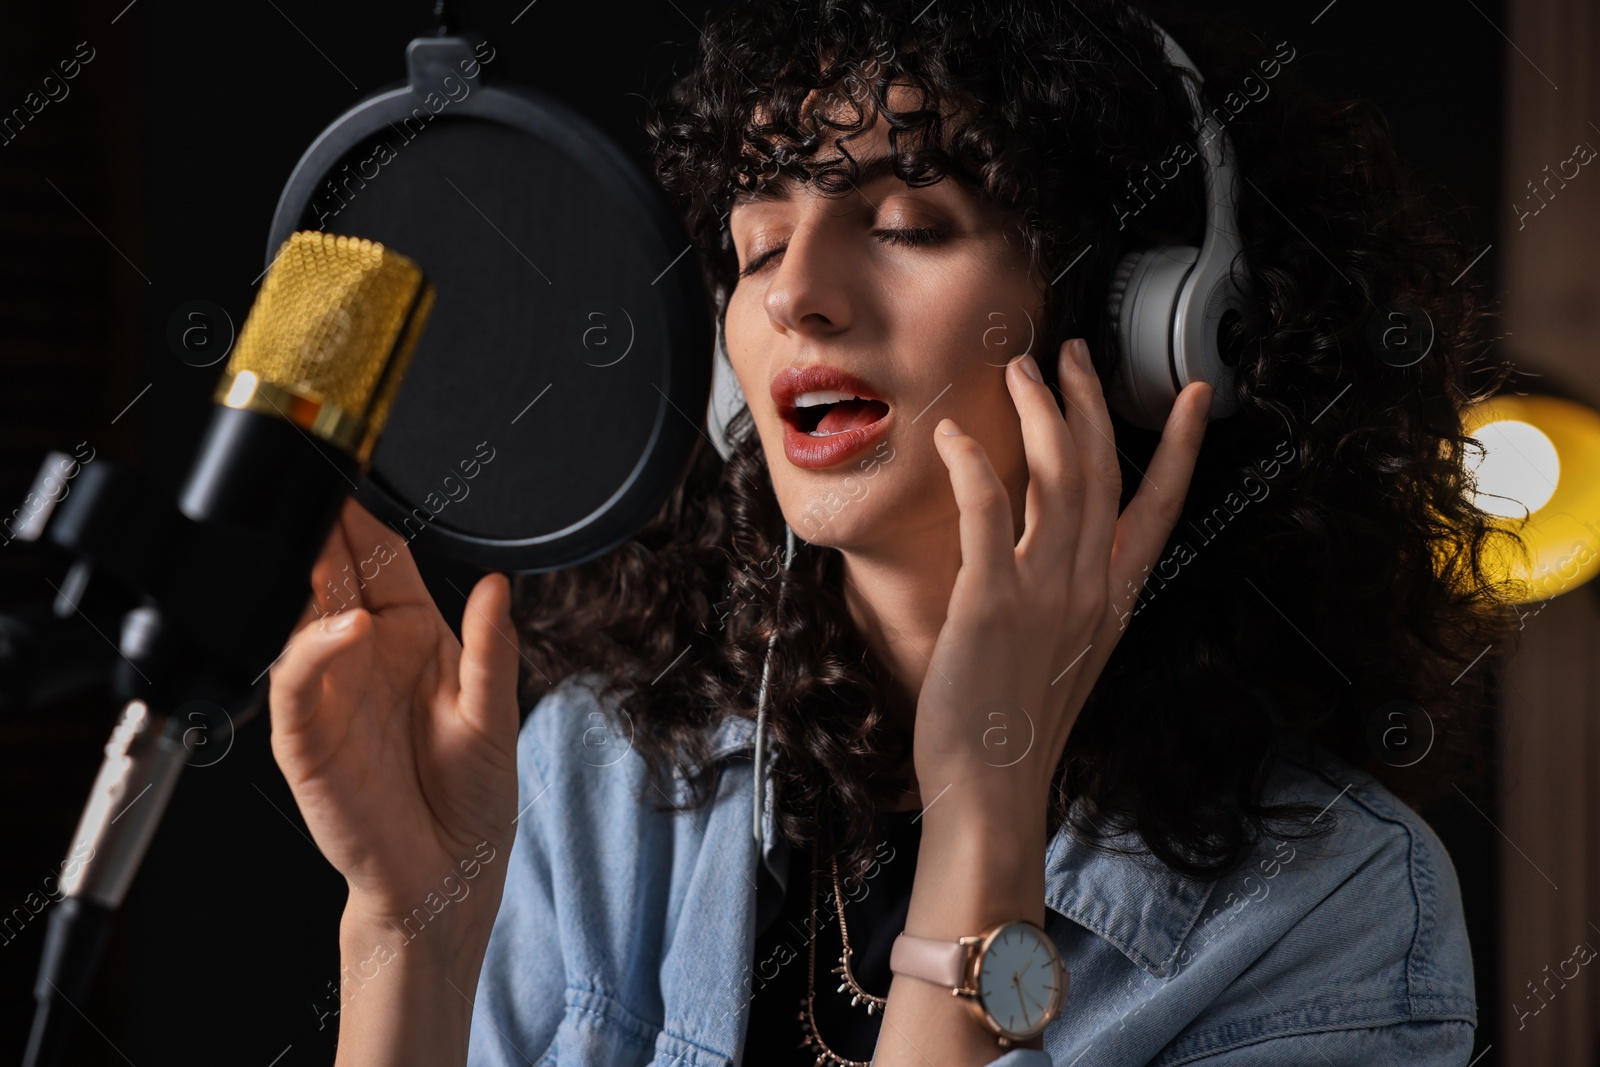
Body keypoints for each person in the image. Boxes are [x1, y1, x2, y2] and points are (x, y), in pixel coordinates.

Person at [266, 1, 1522, 1064]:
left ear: (1152, 325)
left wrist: (984, 808)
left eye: (908, 226)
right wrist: (407, 936)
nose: (799, 293)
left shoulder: (1335, 913)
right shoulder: (596, 780)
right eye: (757, 243)